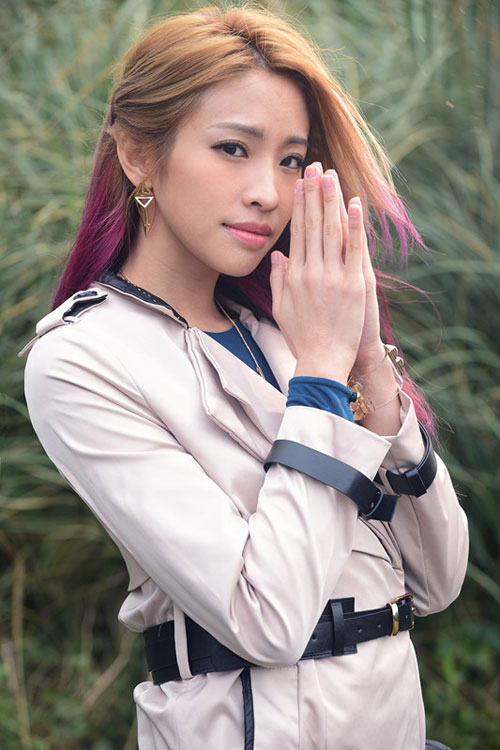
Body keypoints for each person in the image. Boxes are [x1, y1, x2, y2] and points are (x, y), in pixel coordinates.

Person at [18, 4, 468, 749]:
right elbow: (268, 620)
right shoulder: (84, 358)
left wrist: (367, 367)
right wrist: (321, 378)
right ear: (137, 154)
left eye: (291, 160)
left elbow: (437, 581)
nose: (269, 191)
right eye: (233, 148)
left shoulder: (286, 330)